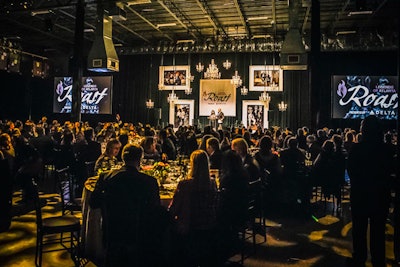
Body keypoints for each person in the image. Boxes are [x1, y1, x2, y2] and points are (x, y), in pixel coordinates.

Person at [90, 144, 166, 267]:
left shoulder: (106, 177)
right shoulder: (149, 182)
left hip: (112, 231)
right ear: (140, 159)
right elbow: (155, 211)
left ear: (122, 157)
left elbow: (93, 203)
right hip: (139, 234)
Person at [347, 115, 394, 267]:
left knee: (359, 230)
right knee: (378, 231)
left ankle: (359, 258)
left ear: (363, 130)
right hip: (380, 195)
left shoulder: (356, 149)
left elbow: (351, 170)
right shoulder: (386, 150)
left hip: (360, 194)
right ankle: (378, 260)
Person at [168, 150, 219, 267]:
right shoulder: (212, 183)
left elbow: (174, 208)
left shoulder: (185, 185)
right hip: (209, 225)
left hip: (189, 227)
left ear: (192, 165)